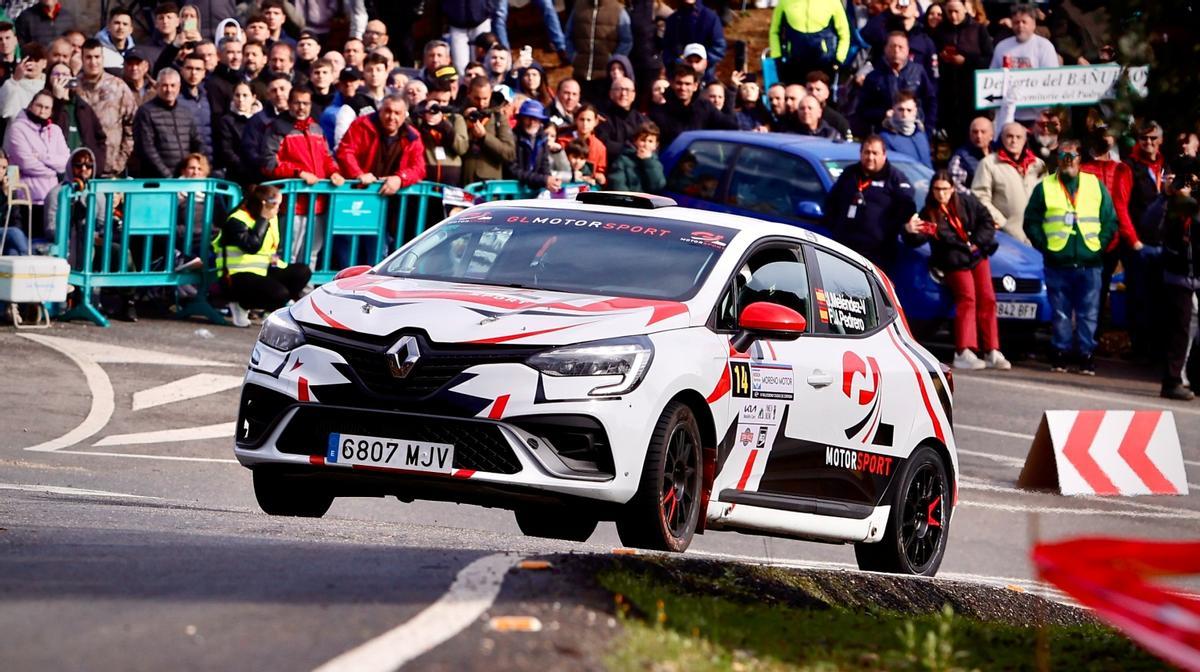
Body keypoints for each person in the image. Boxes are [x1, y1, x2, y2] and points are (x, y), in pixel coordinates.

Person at [1023, 139, 1118, 375]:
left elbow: (1110, 220)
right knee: (1061, 313)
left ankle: (1086, 356)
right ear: (1058, 159)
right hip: (1058, 261)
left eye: (1073, 157)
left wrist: (1099, 247)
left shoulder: (1094, 184)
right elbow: (1031, 221)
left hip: (1090, 261)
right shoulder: (1045, 187)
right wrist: (1044, 245)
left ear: (1080, 160)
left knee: (1089, 314)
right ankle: (1060, 354)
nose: (1068, 161)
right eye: (1064, 156)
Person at [914, 170, 1008, 369]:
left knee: (988, 298)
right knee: (967, 299)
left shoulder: (966, 202)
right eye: (937, 189)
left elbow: (987, 221)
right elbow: (917, 238)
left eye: (945, 189)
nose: (941, 194)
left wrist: (976, 242)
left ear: (953, 189)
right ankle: (964, 349)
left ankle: (992, 349)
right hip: (953, 261)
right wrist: (909, 231)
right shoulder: (928, 212)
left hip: (975, 255)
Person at [214, 184, 312, 327]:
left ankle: (270, 311)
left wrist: (272, 258)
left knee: (302, 271)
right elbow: (252, 246)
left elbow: (267, 248)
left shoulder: (270, 218)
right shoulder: (237, 219)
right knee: (281, 294)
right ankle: (241, 304)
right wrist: (263, 219)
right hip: (235, 276)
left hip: (261, 270)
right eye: (276, 204)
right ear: (264, 204)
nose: (279, 208)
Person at [822, 135, 920, 269]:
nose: (870, 157)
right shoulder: (850, 174)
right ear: (861, 153)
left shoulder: (895, 178)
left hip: (878, 255)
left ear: (884, 155)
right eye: (867, 152)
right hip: (844, 250)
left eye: (875, 153)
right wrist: (836, 226)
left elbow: (907, 208)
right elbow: (831, 203)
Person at [1152, 164, 1200, 399]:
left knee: (1192, 330)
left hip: (1195, 275)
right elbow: (1153, 226)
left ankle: (1195, 378)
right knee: (1179, 330)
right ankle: (1171, 381)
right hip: (1178, 276)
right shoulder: (1169, 206)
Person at [1126, 121, 1169, 361]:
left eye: (1153, 138)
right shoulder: (1130, 166)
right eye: (1144, 138)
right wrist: (1133, 240)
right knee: (1140, 297)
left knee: (1162, 298)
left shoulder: (1167, 164)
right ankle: (1140, 350)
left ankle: (1159, 348)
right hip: (1141, 243)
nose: (1149, 143)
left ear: (1161, 140)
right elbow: (1122, 205)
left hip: (1166, 243)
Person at [4, 91, 68, 237]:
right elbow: (26, 163)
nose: (42, 111)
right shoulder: (17, 128)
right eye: (39, 105)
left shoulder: (56, 130)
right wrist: (53, 170)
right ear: (31, 105)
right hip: (26, 198)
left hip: (51, 200)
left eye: (47, 108)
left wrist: (43, 157)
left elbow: (65, 162)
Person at [335, 94, 426, 195]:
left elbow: (419, 168)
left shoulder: (412, 136)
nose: (392, 117)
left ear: (405, 116)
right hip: (358, 191)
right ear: (380, 111)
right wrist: (358, 174)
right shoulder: (362, 125)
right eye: (388, 111)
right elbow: (345, 152)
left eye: (397, 113)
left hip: (394, 196)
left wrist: (400, 178)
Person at [971, 121, 1045, 244]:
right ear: (1002, 138)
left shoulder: (1038, 164)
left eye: (1018, 137)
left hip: (1038, 235)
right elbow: (980, 198)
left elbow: (1046, 196)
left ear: (1025, 139)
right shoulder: (989, 164)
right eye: (1009, 136)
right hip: (1006, 237)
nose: (1014, 141)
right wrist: (1004, 224)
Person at [934, 0, 993, 147]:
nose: (953, 16)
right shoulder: (940, 31)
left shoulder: (978, 29)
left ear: (965, 10)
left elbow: (989, 59)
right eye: (949, 12)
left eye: (957, 11)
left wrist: (966, 61)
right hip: (949, 91)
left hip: (973, 90)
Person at [988, 4, 1058, 124]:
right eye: (1016, 22)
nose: (1020, 26)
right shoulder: (1002, 46)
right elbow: (992, 77)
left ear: (1033, 24)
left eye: (1024, 22)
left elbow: (1052, 81)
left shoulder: (1045, 46)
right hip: (1009, 116)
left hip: (1038, 116)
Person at [132, 67, 202, 177]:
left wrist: (195, 169)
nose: (169, 90)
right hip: (157, 180)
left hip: (185, 178)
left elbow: (196, 142)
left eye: (173, 85)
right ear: (157, 87)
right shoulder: (145, 112)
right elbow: (146, 149)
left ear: (179, 87)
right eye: (164, 85)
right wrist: (168, 177)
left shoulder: (186, 113)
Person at [649, 65, 736, 150]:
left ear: (695, 86)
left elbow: (729, 125)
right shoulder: (659, 113)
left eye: (687, 84)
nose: (683, 88)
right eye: (679, 83)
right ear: (672, 84)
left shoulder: (705, 107)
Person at [768, 0, 850, 84]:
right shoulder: (784, 2)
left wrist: (839, 59)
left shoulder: (833, 2)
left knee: (819, 94)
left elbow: (844, 34)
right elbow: (774, 32)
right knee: (794, 95)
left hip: (824, 63)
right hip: (794, 63)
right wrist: (777, 56)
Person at [566, 0, 632, 104]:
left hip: (604, 77)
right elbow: (568, 36)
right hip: (580, 74)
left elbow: (626, 41)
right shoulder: (578, 7)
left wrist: (613, 62)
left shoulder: (619, 10)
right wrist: (573, 57)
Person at [459, 76, 515, 184]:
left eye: (485, 99)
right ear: (469, 94)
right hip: (461, 181)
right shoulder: (459, 115)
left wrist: (485, 137)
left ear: (490, 95)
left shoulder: (499, 117)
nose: (481, 103)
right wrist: (464, 122)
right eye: (476, 98)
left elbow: (509, 154)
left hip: (489, 185)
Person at [415, 85, 468, 186]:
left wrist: (443, 124)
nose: (440, 106)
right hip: (425, 170)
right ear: (428, 97)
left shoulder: (456, 118)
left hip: (451, 172)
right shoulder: (418, 118)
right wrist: (424, 118)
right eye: (436, 101)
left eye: (444, 102)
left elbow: (462, 148)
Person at [507, 99, 560, 192]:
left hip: (533, 190)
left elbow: (544, 165)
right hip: (513, 191)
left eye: (535, 119)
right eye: (528, 118)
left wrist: (550, 181)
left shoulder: (543, 138)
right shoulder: (512, 137)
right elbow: (512, 170)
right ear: (521, 118)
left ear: (540, 121)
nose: (532, 122)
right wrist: (543, 180)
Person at [215, 81, 259, 185]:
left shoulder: (261, 120)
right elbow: (227, 150)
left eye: (245, 95)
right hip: (236, 175)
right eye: (237, 95)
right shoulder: (226, 120)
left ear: (253, 98)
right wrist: (245, 168)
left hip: (258, 174)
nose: (241, 99)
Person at [606, 121, 665, 193]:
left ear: (656, 145)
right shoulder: (622, 160)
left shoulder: (655, 163)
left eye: (650, 141)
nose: (646, 144)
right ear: (635, 141)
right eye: (643, 140)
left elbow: (658, 186)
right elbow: (617, 184)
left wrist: (648, 162)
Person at [177, 53, 214, 159]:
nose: (193, 73)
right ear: (182, 70)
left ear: (204, 73)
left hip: (209, 160)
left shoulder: (209, 96)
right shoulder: (175, 98)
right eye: (189, 68)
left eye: (198, 69)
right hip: (186, 160)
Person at [879, 91, 930, 167]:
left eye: (909, 110)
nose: (905, 114)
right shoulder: (886, 137)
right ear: (893, 110)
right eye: (901, 110)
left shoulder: (921, 133)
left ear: (915, 111)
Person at [443, 0, 492, 76]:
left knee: (482, 64)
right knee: (460, 66)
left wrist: (488, 7)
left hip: (481, 18)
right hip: (456, 22)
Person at [0, 42, 46, 120]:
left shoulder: (49, 84)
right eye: (28, 60)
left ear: (44, 63)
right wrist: (14, 80)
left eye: (36, 60)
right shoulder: (12, 83)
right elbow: (4, 111)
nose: (31, 64)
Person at [948, 115, 992, 193]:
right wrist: (974, 196)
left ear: (991, 135)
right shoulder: (961, 157)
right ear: (970, 134)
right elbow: (954, 185)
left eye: (983, 132)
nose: (979, 136)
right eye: (975, 132)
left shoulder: (999, 153)